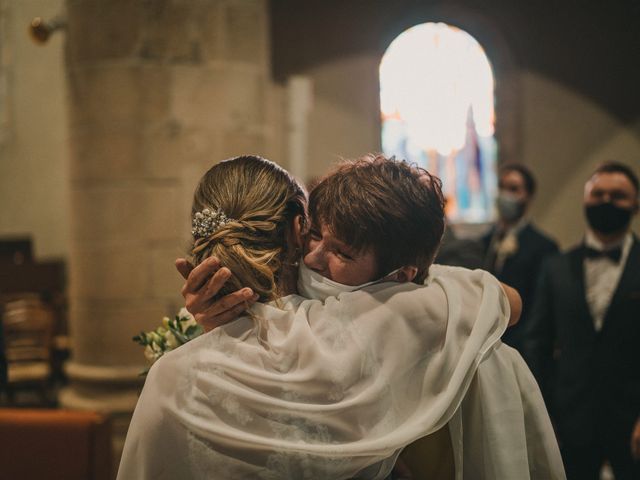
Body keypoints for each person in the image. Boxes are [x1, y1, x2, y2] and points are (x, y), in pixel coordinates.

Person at [159, 154, 563, 479]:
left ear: (400, 277)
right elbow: (501, 299)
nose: (313, 257)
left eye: (343, 252)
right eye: (315, 234)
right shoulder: (450, 296)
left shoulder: (423, 322)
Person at [525, 161, 640, 480]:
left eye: (617, 196)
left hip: (632, 418)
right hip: (571, 417)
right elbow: (537, 343)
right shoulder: (556, 267)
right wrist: (543, 414)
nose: (606, 202)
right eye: (598, 194)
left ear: (636, 205)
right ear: (585, 201)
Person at [481, 163, 558, 353]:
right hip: (483, 343)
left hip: (521, 348)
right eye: (502, 187)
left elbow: (541, 309)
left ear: (528, 197)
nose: (505, 194)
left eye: (514, 189)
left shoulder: (544, 247)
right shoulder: (483, 243)